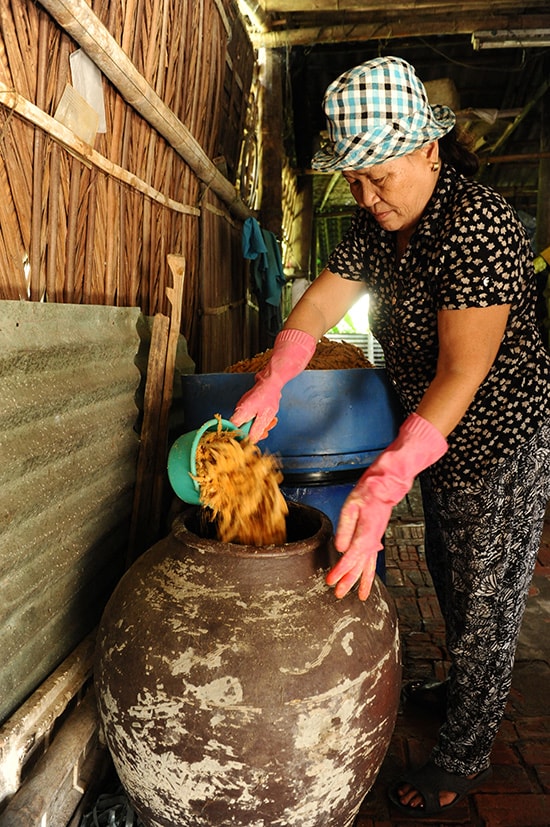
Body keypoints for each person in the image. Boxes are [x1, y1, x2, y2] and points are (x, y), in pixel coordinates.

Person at [230, 55, 550, 816]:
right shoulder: (380, 228)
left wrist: (383, 480)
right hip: (433, 439)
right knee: (446, 564)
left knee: (486, 603)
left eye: (382, 176)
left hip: (498, 437)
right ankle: (461, 688)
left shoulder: (476, 224)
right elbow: (312, 309)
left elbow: (461, 374)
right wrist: (276, 375)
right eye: (357, 179)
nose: (369, 197)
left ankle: (467, 753)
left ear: (428, 149)